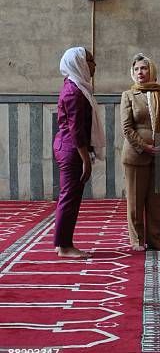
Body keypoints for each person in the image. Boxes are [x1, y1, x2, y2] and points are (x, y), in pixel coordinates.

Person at [53, 47, 105, 258]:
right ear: (78, 63)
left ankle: (62, 243)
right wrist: (86, 160)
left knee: (70, 196)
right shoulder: (74, 91)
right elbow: (76, 129)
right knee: (69, 197)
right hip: (71, 149)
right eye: (90, 60)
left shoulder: (77, 86)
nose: (94, 65)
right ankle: (64, 246)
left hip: (69, 147)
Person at [120, 53, 160, 251]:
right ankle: (137, 240)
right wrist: (145, 147)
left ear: (151, 70)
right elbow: (127, 128)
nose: (140, 72)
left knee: (155, 201)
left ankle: (154, 240)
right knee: (135, 201)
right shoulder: (128, 95)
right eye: (136, 69)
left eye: (143, 68)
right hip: (136, 155)